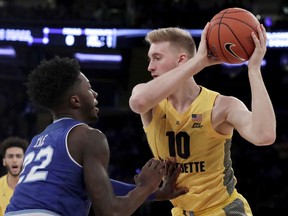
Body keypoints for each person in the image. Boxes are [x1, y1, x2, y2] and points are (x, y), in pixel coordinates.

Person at [5, 56, 188, 216]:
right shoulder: (88, 136)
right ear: (75, 100)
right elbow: (111, 212)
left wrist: (158, 193)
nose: (95, 93)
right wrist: (146, 186)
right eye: (89, 88)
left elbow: (96, 185)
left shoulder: (38, 140)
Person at [129, 22, 276, 215]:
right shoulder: (147, 98)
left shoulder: (221, 106)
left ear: (182, 60)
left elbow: (264, 135)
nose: (150, 67)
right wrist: (199, 62)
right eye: (150, 59)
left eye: (157, 58)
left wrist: (254, 70)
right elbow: (138, 102)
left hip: (223, 210)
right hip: (181, 211)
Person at [0, 136, 28, 216]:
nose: (14, 160)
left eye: (18, 156)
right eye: (10, 156)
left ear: (26, 160)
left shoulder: (34, 185)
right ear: (4, 161)